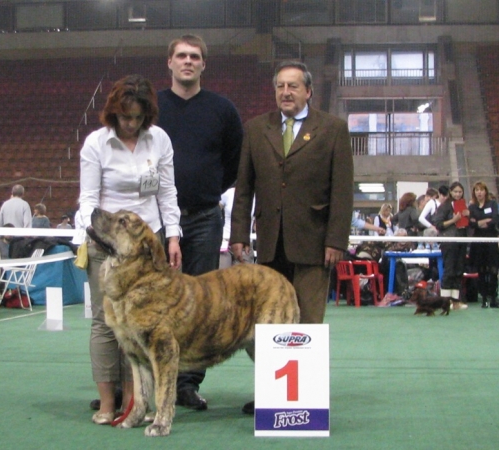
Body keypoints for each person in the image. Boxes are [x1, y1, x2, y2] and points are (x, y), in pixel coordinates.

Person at [230, 60, 353, 412]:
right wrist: (238, 233)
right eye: (280, 86)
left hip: (315, 244)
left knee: (308, 321)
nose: (286, 92)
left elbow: (342, 192)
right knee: (268, 325)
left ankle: (305, 400)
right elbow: (244, 187)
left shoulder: (333, 129)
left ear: (308, 91)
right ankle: (274, 395)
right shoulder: (256, 128)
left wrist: (336, 241)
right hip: (269, 244)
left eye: (293, 86)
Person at [79, 74, 182, 425]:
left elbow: (167, 192)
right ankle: (108, 403)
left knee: (143, 323)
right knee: (106, 323)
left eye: (138, 117)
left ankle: (134, 403)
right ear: (114, 113)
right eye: (125, 117)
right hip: (106, 244)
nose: (131, 123)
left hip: (147, 243)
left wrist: (173, 236)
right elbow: (89, 199)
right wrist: (93, 238)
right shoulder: (96, 144)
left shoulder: (159, 140)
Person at [157, 34, 243, 411]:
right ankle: (146, 383)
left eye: (195, 56)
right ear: (170, 62)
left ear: (203, 64)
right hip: (157, 223)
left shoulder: (223, 110)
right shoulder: (153, 107)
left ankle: (187, 384)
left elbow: (234, 164)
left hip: (206, 219)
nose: (188, 61)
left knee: (197, 305)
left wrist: (206, 189)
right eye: (181, 56)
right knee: (153, 304)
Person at [431, 181, 469, 310]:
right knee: (449, 270)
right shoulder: (445, 206)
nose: (458, 194)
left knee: (459, 270)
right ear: (450, 192)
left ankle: (456, 301)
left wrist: (469, 217)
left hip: (461, 240)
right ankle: (445, 301)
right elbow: (438, 223)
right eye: (455, 191)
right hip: (448, 241)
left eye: (460, 192)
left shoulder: (464, 205)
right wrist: (453, 220)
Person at [468, 181, 499, 308]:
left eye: (481, 190)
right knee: (481, 270)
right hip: (478, 242)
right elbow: (471, 224)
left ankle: (493, 297)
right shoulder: (472, 207)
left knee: (492, 269)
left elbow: (495, 219)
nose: (479, 192)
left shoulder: (492, 204)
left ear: (485, 191)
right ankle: (484, 297)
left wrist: (480, 221)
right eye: (476, 190)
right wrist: (484, 221)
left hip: (491, 240)